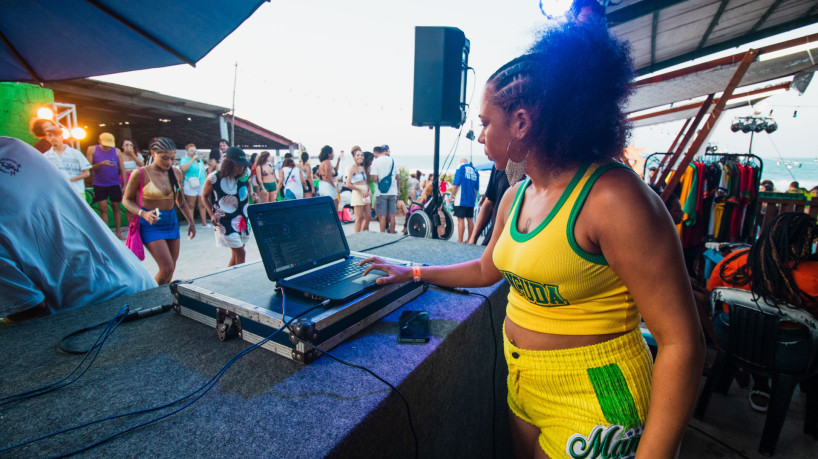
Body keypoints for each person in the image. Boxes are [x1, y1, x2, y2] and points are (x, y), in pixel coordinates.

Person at [361, 18, 704, 458]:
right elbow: (487, 269)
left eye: (486, 122)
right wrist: (411, 272)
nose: (481, 135)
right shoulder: (516, 195)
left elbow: (682, 342)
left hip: (599, 392)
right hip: (524, 381)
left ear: (521, 121)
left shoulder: (614, 199)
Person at [0, 137, 156, 325]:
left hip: (92, 315)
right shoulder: (14, 148)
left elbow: (28, 310)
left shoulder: (14, 150)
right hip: (138, 283)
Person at [707, 212, 817, 412]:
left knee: (757, 333)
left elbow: (711, 292)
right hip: (785, 353)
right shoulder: (813, 275)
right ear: (806, 241)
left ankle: (758, 382)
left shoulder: (735, 260)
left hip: (731, 337)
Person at [122, 138, 196, 285]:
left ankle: (162, 301)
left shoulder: (176, 173)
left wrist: (191, 222)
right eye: (164, 158)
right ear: (153, 154)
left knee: (171, 269)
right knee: (166, 268)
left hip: (171, 222)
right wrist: (143, 213)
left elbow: (180, 200)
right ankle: (150, 298)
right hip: (151, 224)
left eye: (172, 158)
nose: (168, 162)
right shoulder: (141, 173)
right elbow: (126, 200)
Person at [203, 147, 257, 267]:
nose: (242, 167)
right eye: (239, 165)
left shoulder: (245, 173)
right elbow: (204, 196)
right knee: (241, 253)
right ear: (229, 163)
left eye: (244, 165)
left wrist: (251, 192)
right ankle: (240, 281)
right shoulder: (214, 178)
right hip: (224, 220)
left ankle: (228, 278)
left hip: (243, 218)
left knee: (237, 253)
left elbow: (248, 183)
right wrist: (211, 214)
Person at [87, 132, 126, 239]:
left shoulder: (117, 151)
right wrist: (101, 164)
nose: (107, 147)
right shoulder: (92, 149)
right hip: (99, 184)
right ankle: (107, 235)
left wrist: (125, 185)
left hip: (114, 183)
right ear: (99, 141)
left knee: (116, 207)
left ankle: (118, 233)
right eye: (105, 145)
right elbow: (88, 168)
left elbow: (122, 168)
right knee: (103, 208)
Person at [467, 166, 520, 246]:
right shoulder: (498, 167)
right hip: (494, 238)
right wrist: (473, 238)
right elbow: (489, 202)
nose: (485, 152)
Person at [42, 122, 92, 197]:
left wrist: (70, 180)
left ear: (62, 136)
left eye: (56, 135)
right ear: (47, 138)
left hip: (76, 191)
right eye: (49, 135)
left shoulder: (75, 153)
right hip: (57, 193)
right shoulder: (45, 156)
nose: (53, 138)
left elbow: (87, 173)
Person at [450, 157, 480, 243]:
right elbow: (476, 190)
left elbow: (456, 184)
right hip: (471, 199)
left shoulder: (460, 167)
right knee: (470, 219)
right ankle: (470, 240)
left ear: (461, 162)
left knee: (461, 219)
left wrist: (451, 195)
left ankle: (460, 240)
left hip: (461, 198)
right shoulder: (475, 170)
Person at [371, 145, 399, 233]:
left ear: (375, 153)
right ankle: (392, 234)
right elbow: (397, 177)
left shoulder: (375, 162)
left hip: (381, 193)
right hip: (393, 192)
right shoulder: (392, 161)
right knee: (392, 216)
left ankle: (383, 235)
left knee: (382, 216)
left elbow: (375, 179)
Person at [180, 143, 209, 228]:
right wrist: (192, 159)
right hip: (190, 183)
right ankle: (191, 223)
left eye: (194, 150)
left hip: (201, 182)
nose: (193, 152)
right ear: (187, 151)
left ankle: (204, 223)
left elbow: (203, 171)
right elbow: (183, 168)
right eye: (191, 150)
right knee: (191, 205)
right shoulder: (185, 159)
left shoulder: (199, 160)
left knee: (202, 203)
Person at [345, 146, 371, 232]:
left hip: (366, 194)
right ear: (354, 157)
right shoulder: (352, 168)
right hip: (357, 193)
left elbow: (367, 181)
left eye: (362, 155)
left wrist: (369, 190)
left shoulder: (363, 167)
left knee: (368, 217)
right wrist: (360, 190)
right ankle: (357, 236)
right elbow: (348, 184)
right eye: (358, 155)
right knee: (359, 218)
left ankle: (362, 233)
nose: (360, 157)